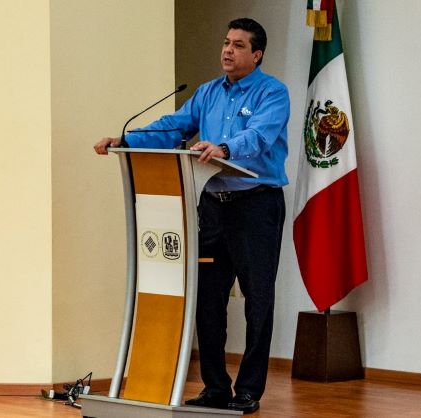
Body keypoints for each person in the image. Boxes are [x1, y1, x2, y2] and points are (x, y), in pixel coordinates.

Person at [94, 17, 289, 414]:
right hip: (212, 207)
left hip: (256, 207)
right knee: (208, 299)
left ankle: (249, 390)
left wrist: (224, 147)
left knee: (258, 300)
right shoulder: (207, 93)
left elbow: (260, 136)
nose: (227, 50)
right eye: (225, 42)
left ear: (257, 54)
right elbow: (174, 126)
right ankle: (216, 387)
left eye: (238, 45)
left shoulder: (273, 93)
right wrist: (126, 139)